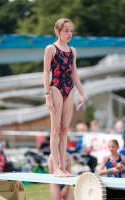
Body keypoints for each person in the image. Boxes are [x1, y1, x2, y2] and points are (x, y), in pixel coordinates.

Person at [43, 18, 85, 177]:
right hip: (56, 88)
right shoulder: (50, 48)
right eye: (66, 30)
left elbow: (74, 74)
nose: (69, 34)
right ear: (57, 31)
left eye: (71, 31)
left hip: (70, 89)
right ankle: (55, 168)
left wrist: (82, 93)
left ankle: (63, 166)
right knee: (55, 129)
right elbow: (46, 73)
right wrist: (47, 95)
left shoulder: (73, 50)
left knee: (65, 129)